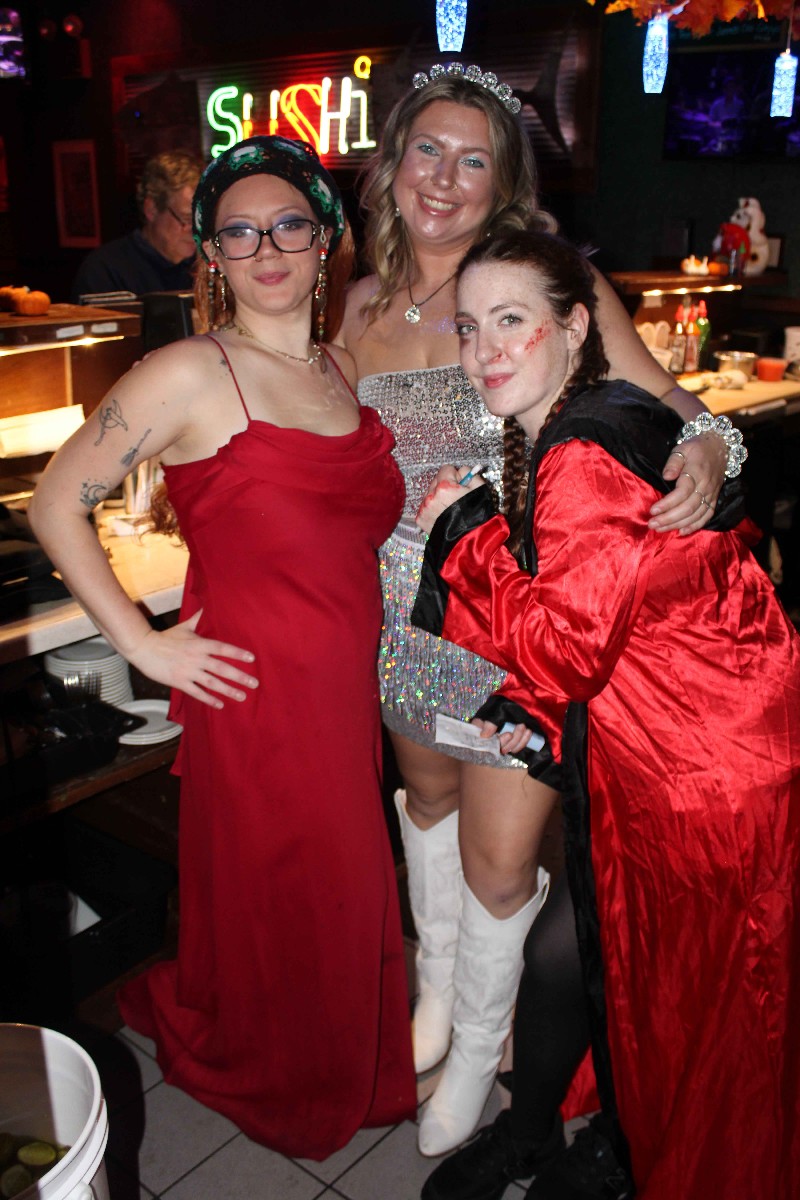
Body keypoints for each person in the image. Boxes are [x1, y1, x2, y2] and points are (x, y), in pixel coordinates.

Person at [338, 60, 731, 1156]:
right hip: (402, 613)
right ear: (393, 164)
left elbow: (670, 398)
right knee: (427, 805)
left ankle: (476, 1051)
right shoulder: (359, 301)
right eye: (427, 150)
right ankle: (436, 993)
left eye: (473, 161)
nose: (444, 178)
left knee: (501, 857)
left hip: (514, 611)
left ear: (503, 182)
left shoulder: (548, 282)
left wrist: (709, 442)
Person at [30, 135, 416, 1159]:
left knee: (325, 884)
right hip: (256, 688)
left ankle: (323, 1043)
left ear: (324, 239)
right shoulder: (189, 372)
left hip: (341, 686)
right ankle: (291, 1069)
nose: (267, 249)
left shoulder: (340, 367)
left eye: (288, 225)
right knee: (298, 885)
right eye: (239, 233)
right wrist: (144, 645)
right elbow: (55, 503)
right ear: (210, 255)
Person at [412, 228, 800, 1200]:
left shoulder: (576, 429)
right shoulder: (578, 408)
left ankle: (576, 1127)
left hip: (671, 739)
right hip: (655, 710)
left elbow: (571, 646)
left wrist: (459, 532)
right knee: (573, 924)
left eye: (511, 321)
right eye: (468, 327)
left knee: (581, 921)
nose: (485, 349)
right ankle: (554, 1120)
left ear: (574, 324)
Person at [71, 150, 202, 299]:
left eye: (203, 221)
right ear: (151, 210)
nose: (197, 231)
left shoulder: (207, 267)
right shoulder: (105, 271)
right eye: (187, 219)